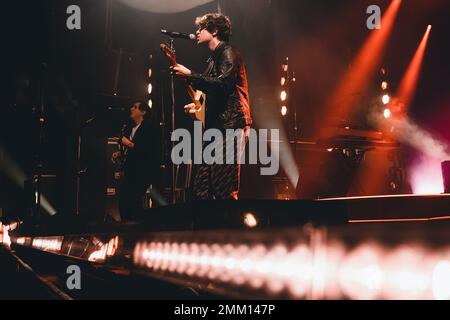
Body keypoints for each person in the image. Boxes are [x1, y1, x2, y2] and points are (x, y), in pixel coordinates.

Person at [173, 13, 252, 200]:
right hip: (217, 127)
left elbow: (223, 84)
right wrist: (198, 108)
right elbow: (214, 91)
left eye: (201, 28)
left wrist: (190, 75)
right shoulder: (212, 60)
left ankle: (229, 228)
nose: (197, 32)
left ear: (214, 30)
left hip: (230, 127)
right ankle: (208, 227)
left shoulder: (228, 52)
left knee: (223, 186)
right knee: (202, 186)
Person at [118, 101, 160, 221]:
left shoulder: (148, 128)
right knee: (124, 202)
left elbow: (147, 150)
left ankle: (134, 230)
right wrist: (120, 153)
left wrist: (129, 144)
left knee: (132, 202)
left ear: (143, 112)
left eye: (135, 107)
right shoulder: (131, 128)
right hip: (130, 172)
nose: (132, 109)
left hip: (140, 173)